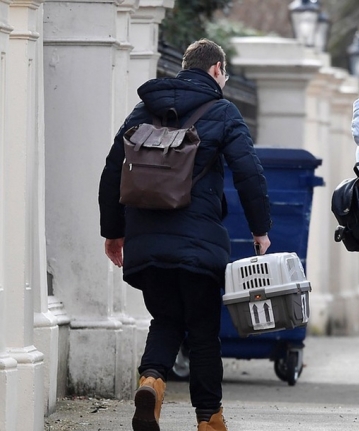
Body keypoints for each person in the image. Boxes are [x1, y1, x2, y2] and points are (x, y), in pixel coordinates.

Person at [99, 38, 272, 431]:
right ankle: (209, 418)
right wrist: (260, 229)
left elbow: (112, 171)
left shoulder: (142, 111)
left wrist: (114, 232)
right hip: (199, 243)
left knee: (165, 319)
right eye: (224, 73)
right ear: (216, 70)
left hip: (145, 241)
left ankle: (152, 382)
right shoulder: (223, 112)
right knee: (204, 330)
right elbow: (249, 173)